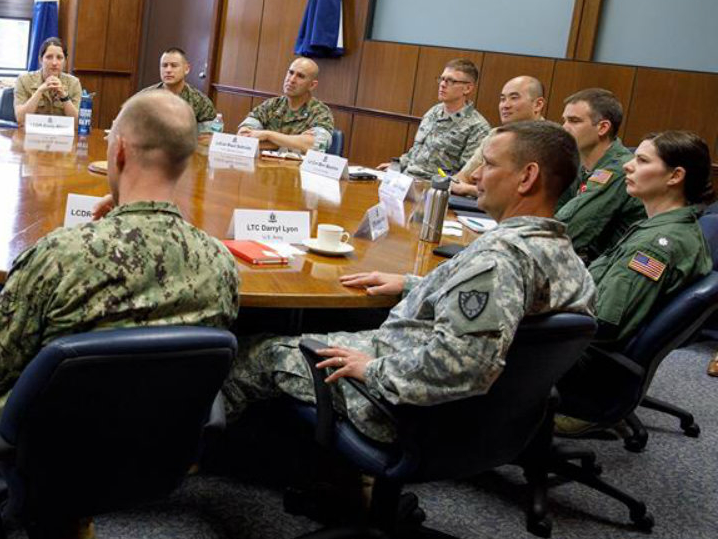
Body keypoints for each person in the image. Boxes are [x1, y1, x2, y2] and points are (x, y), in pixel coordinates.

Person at [0, 91, 241, 539]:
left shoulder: (62, 254)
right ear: (186, 162)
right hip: (152, 450)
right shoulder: (220, 263)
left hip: (43, 446)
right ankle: (69, 521)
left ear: (120, 151)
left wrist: (91, 239)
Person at [224, 121, 595, 445]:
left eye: (490, 164)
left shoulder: (497, 260)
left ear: (527, 177)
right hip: (486, 416)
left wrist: (371, 369)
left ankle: (195, 456)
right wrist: (412, 284)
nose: (476, 175)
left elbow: (462, 365)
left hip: (398, 403)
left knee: (257, 352)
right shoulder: (564, 256)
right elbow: (503, 306)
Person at [555, 132, 714, 435]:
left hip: (581, 366)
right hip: (587, 351)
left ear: (675, 176)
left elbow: (602, 323)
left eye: (641, 160)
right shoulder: (663, 227)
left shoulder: (655, 245)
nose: (627, 166)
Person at [555, 88, 646, 263]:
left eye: (574, 121)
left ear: (603, 127)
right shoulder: (579, 162)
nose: (564, 128)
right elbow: (552, 208)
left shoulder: (619, 169)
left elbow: (569, 229)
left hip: (608, 265)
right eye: (564, 120)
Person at [378, 59, 490, 179]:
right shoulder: (433, 112)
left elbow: (466, 174)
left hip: (434, 188)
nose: (442, 84)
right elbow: (417, 150)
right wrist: (398, 164)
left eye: (451, 81)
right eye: (442, 79)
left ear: (467, 88)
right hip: (406, 179)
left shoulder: (477, 127)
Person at [450, 75, 546, 197]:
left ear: (538, 104)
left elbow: (523, 193)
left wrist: (469, 190)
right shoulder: (495, 134)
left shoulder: (548, 141)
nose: (505, 105)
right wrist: (457, 185)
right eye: (502, 99)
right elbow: (464, 176)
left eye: (514, 98)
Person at [236, 57, 335, 152]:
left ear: (312, 85)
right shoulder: (272, 105)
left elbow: (314, 145)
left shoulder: (320, 112)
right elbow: (243, 137)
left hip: (297, 168)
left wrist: (268, 135)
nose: (291, 80)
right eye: (291, 72)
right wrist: (294, 142)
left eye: (300, 76)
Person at [137, 47, 217, 133]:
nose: (168, 70)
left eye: (174, 66)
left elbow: (207, 137)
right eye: (164, 65)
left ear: (186, 69)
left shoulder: (201, 102)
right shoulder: (143, 97)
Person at [13, 36, 81, 125]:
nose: (54, 63)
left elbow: (77, 124)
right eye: (49, 57)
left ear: (65, 61)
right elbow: (20, 119)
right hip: (31, 135)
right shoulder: (23, 80)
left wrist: (64, 96)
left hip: (61, 135)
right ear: (41, 59)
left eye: (59, 58)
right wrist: (40, 91)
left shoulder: (74, 83)